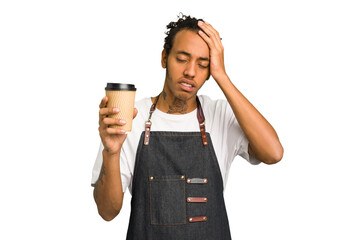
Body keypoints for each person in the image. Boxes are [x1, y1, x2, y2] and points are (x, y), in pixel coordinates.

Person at [91, 14, 283, 239]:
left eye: (203, 65)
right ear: (164, 58)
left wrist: (222, 76)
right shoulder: (131, 116)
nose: (191, 72)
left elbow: (273, 153)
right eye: (182, 59)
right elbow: (107, 211)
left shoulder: (220, 115)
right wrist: (111, 152)